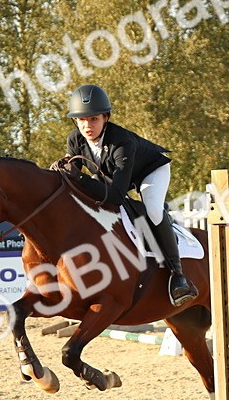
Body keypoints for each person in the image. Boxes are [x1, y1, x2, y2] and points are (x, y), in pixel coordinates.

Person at [63, 84, 196, 306]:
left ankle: (178, 275)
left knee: (153, 210)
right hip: (112, 175)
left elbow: (115, 194)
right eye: (82, 120)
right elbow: (71, 176)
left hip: (150, 171)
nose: (88, 125)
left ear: (106, 118)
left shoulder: (121, 141)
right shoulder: (75, 140)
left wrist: (80, 178)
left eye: (94, 119)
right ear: (75, 121)